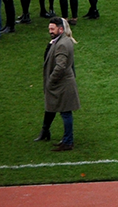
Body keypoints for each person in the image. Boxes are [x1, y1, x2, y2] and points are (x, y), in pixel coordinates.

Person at [38, 17, 78, 151]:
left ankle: (68, 142)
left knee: (66, 113)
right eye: (49, 28)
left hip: (62, 84)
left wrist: (51, 80)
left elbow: (60, 66)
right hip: (64, 83)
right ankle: (66, 140)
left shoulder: (61, 44)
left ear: (60, 29)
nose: (50, 31)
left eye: (52, 28)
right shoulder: (63, 41)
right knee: (64, 112)